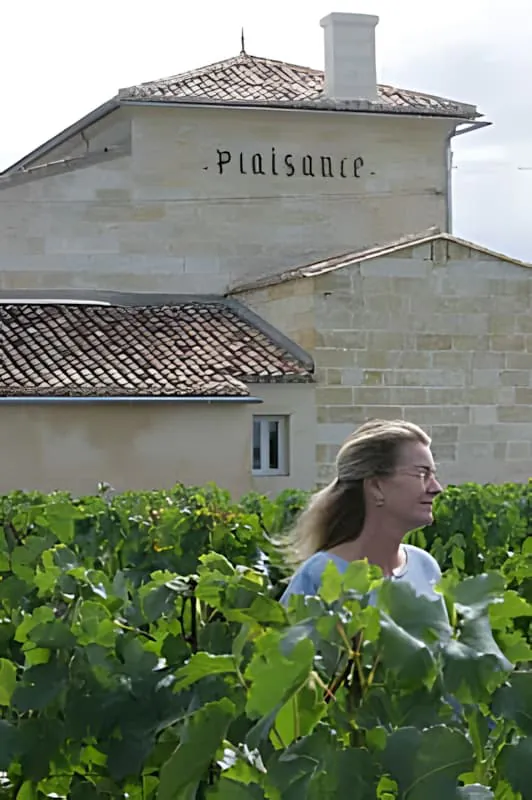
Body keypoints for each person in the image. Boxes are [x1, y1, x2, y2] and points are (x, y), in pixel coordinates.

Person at [280, 418, 443, 606]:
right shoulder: (319, 575)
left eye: (433, 475)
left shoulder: (425, 568)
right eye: (422, 474)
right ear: (375, 486)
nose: (436, 488)